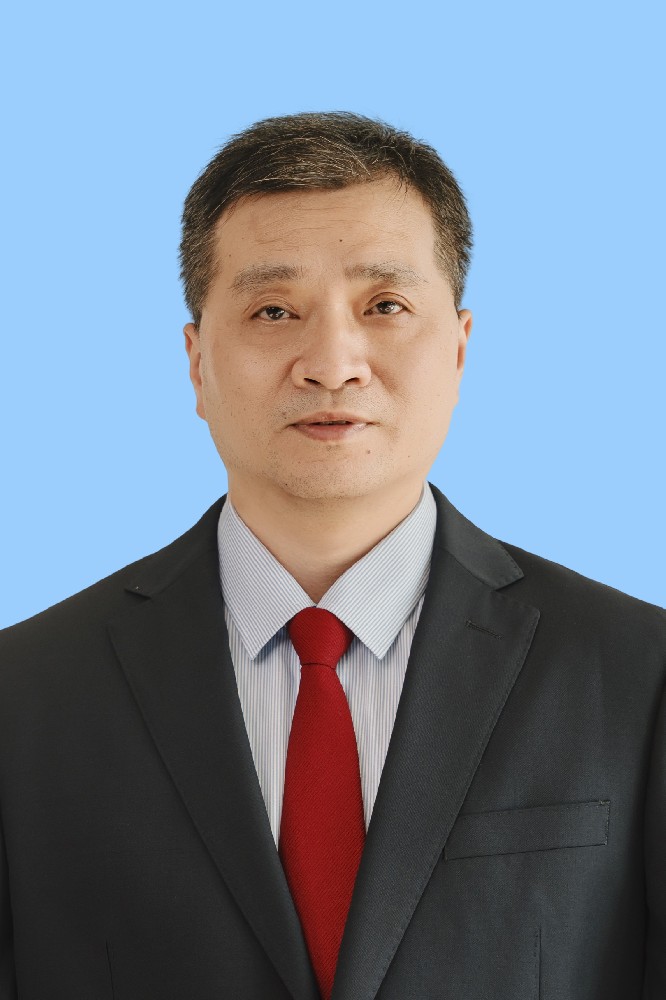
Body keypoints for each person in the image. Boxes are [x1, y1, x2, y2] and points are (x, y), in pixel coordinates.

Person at [0, 110, 664, 1000]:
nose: (332, 363)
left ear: (459, 349)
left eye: (384, 306)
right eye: (274, 310)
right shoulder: (24, 695)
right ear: (196, 361)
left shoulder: (639, 674)